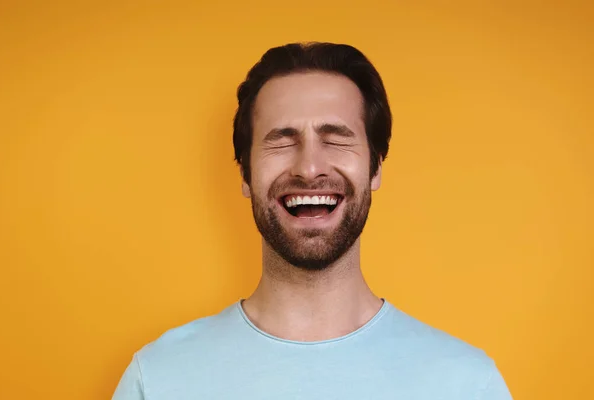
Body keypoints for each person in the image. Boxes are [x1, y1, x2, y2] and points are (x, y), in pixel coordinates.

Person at [112, 42, 513, 399]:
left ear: (374, 167)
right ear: (245, 175)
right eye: (282, 140)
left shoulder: (466, 385)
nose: (309, 167)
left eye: (336, 138)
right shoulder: (160, 379)